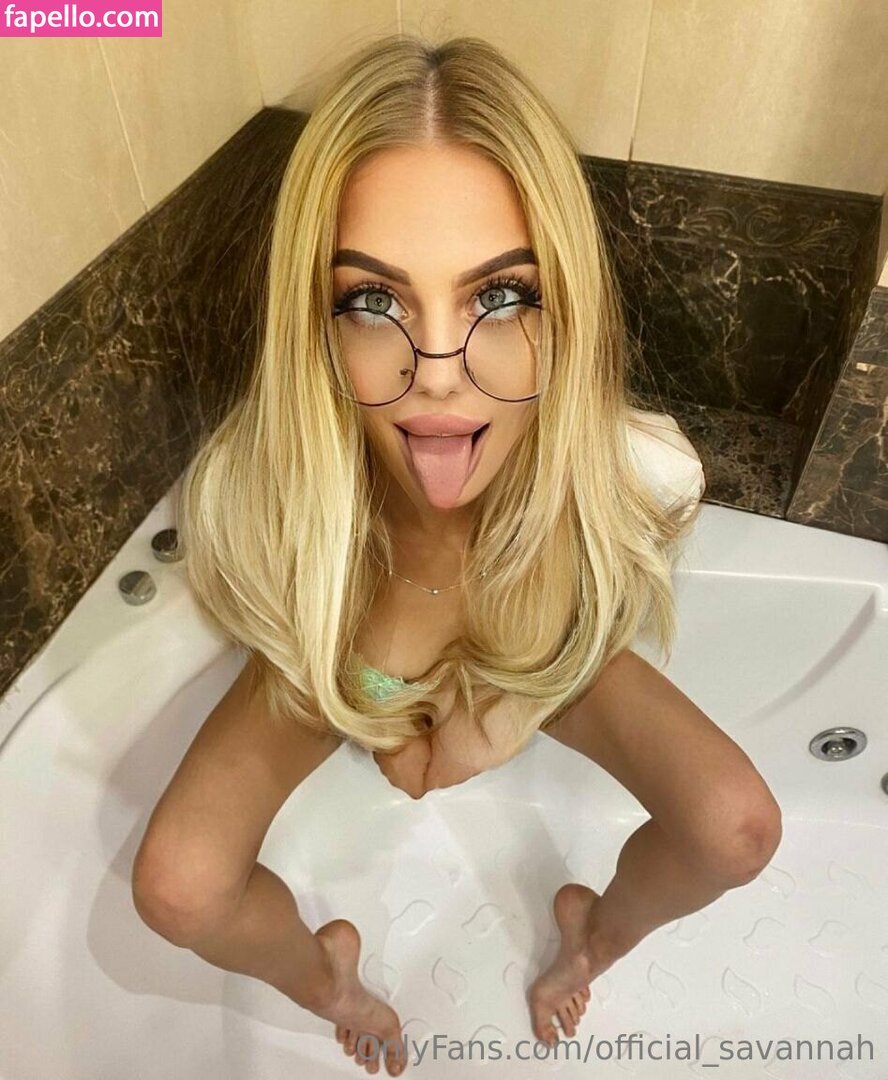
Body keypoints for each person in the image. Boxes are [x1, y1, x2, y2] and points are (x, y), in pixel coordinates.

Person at [131, 33, 782, 1077]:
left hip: (527, 640)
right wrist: (381, 705)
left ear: (565, 310)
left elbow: (581, 634)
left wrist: (496, 713)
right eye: (374, 302)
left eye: (500, 297)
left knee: (735, 827)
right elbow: (315, 666)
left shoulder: (639, 471)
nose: (438, 372)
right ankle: (330, 978)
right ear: (316, 325)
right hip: (349, 647)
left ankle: (588, 941)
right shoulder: (263, 487)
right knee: (178, 887)